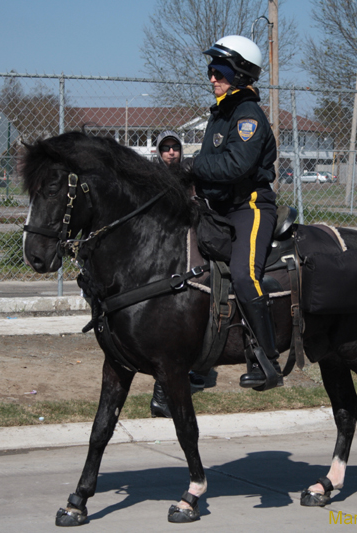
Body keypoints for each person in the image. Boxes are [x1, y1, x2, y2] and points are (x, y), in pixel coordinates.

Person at [185, 35, 281, 391]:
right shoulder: (221, 112)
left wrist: (193, 165)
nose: (212, 77)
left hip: (250, 206)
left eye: (219, 71)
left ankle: (266, 360)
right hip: (218, 206)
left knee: (243, 275)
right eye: (211, 70)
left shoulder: (247, 115)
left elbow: (236, 166)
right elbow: (213, 165)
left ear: (240, 74)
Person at [149, 130, 207, 417]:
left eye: (174, 148)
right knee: (170, 321)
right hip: (163, 251)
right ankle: (163, 392)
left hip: (184, 243)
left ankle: (187, 371)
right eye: (165, 148)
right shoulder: (152, 176)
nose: (171, 152)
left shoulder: (186, 173)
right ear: (158, 152)